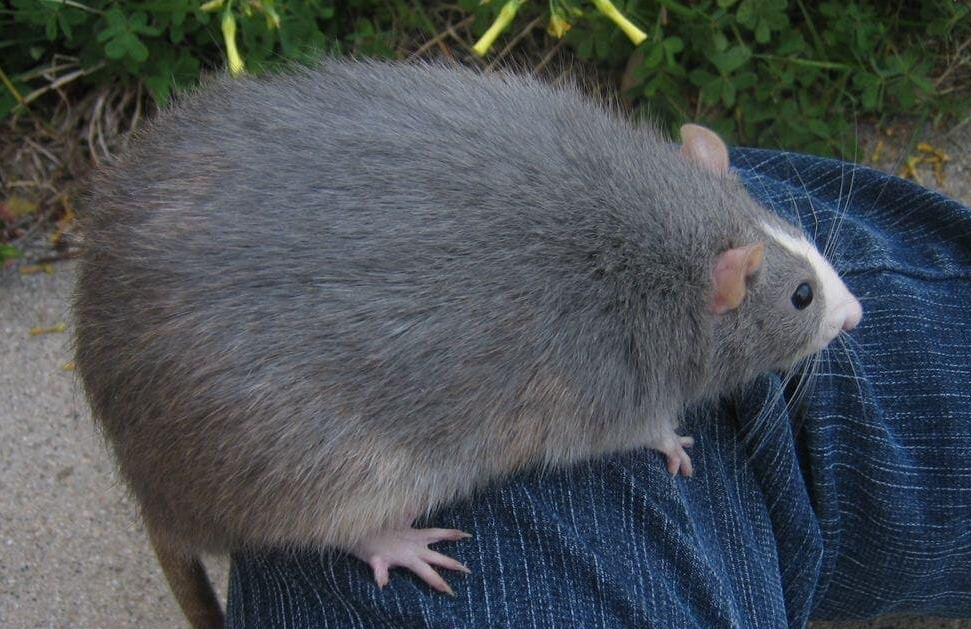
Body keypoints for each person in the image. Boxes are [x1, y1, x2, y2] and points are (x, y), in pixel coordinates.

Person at [226, 147, 971, 628]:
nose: (851, 318)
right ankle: (360, 533)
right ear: (721, 289)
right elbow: (575, 414)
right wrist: (649, 426)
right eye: (809, 300)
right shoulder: (646, 335)